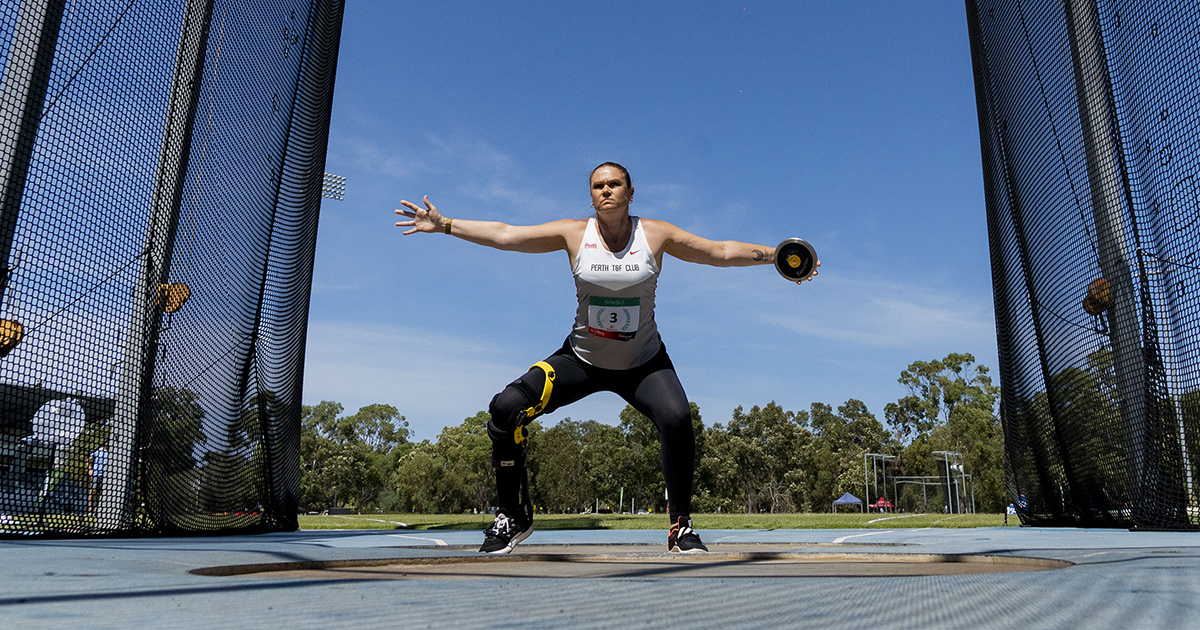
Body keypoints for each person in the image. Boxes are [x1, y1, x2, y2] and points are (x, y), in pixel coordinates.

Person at [395, 162, 818, 554]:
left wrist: (777, 255)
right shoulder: (574, 234)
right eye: (598, 186)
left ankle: (681, 527)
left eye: (614, 183)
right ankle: (512, 516)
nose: (606, 190)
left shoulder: (655, 234)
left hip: (644, 364)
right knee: (505, 408)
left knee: (677, 420)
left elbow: (720, 251)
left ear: (631, 192)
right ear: (591, 196)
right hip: (581, 360)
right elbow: (506, 234)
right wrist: (445, 224)